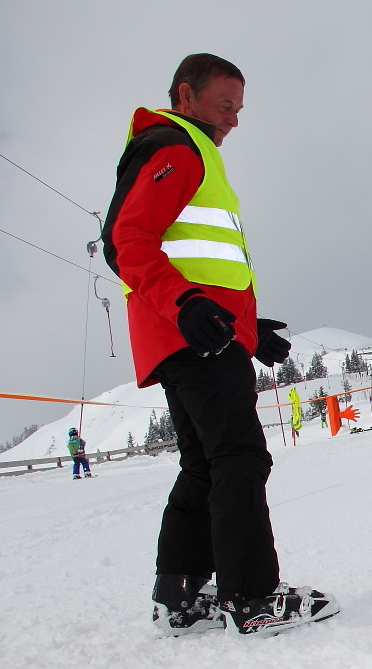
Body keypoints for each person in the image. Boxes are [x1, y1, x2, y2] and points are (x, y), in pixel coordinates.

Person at [101, 53, 338, 637]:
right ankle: (251, 598)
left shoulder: (189, 152)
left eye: (239, 108)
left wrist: (249, 331)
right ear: (186, 95)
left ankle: (179, 598)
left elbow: (206, 264)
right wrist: (185, 305)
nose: (233, 119)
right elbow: (126, 240)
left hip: (189, 335)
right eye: (224, 105)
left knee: (206, 464)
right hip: (188, 334)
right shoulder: (176, 148)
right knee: (239, 458)